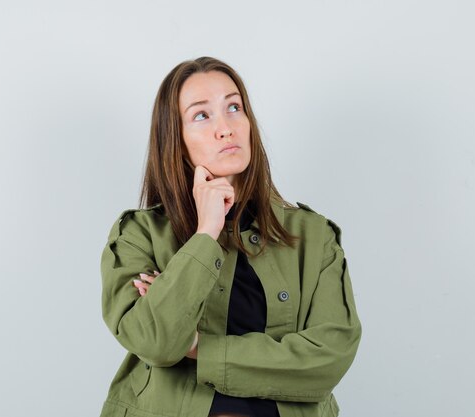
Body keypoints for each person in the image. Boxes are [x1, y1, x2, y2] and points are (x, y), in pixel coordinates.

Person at [99, 56, 362, 417]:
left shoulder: (313, 237)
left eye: (234, 107)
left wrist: (198, 347)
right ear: (175, 139)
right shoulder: (139, 235)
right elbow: (156, 341)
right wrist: (206, 234)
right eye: (201, 115)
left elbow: (329, 359)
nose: (226, 128)